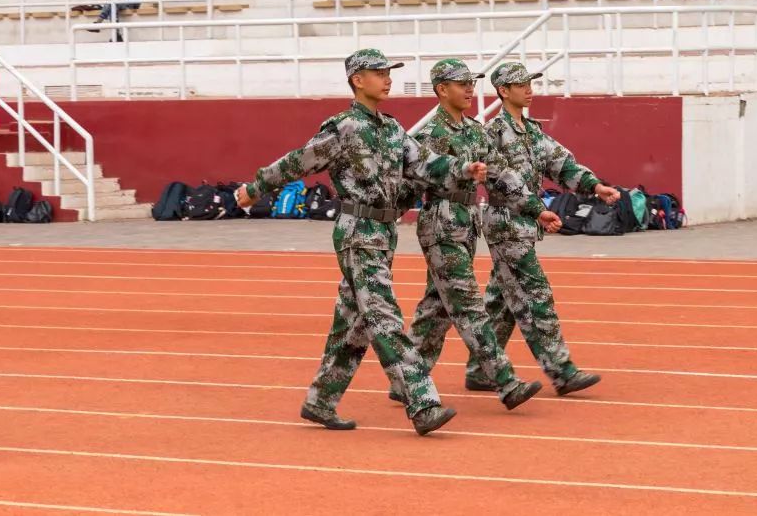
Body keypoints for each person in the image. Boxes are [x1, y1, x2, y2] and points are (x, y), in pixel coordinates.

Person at [236, 49, 488, 436]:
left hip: (384, 234)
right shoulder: (343, 128)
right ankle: (422, 402)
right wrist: (255, 189)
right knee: (384, 317)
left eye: (388, 73)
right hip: (358, 231)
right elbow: (298, 161)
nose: (387, 79)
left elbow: (425, 165)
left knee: (352, 324)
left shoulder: (391, 129)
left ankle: (321, 399)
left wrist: (462, 169)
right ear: (357, 80)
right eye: (379, 73)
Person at [386, 59, 542, 410]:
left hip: (467, 222)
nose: (471, 89)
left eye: (472, 83)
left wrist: (535, 208)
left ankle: (406, 379)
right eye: (463, 84)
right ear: (442, 89)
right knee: (469, 304)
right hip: (441, 224)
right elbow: (410, 185)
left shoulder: (475, 131)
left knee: (438, 306)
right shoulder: (429, 137)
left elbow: (501, 173)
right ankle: (504, 381)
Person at [465, 61, 619, 396]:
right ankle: (561, 371)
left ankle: (480, 368)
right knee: (536, 296)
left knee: (502, 299)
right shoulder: (493, 134)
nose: (529, 89)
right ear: (504, 91)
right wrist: (538, 211)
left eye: (530, 83)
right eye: (521, 84)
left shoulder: (532, 131)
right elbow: (503, 182)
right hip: (506, 224)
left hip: (523, 224)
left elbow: (562, 163)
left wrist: (595, 187)